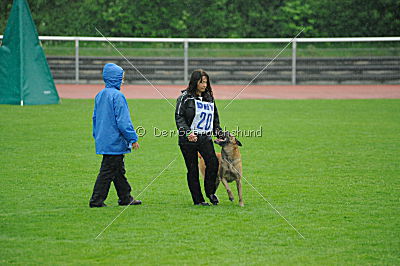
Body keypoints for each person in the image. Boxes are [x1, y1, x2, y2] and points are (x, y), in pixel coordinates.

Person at [89, 63, 141, 208]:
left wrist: (96, 134)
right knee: (107, 171)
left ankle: (125, 197)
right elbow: (123, 121)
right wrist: (132, 138)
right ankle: (96, 200)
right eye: (121, 78)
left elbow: (95, 118)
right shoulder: (118, 96)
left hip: (104, 138)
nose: (122, 81)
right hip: (115, 140)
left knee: (118, 169)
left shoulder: (100, 95)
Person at [175, 69, 223, 206]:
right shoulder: (184, 98)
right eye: (201, 82)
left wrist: (219, 133)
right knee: (193, 169)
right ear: (194, 82)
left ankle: (210, 192)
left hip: (205, 138)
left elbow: (214, 120)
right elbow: (179, 117)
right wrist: (187, 132)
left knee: (213, 163)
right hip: (188, 140)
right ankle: (198, 200)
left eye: (206, 82)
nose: (204, 85)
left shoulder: (209, 98)